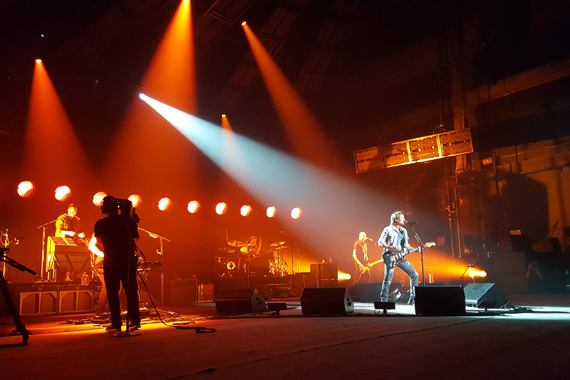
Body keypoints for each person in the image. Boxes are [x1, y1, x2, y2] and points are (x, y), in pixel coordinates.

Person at [89, 196, 141, 332]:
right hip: (127, 259)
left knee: (112, 292)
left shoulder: (100, 224)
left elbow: (98, 242)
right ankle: (135, 321)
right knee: (131, 291)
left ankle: (116, 323)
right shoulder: (127, 222)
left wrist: (110, 249)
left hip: (111, 260)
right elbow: (136, 238)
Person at [378, 211, 419, 304]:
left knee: (415, 275)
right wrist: (392, 247)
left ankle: (413, 299)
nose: (404, 219)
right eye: (402, 218)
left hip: (400, 257)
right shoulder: (387, 229)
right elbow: (380, 243)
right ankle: (383, 301)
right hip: (390, 256)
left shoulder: (404, 231)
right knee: (388, 279)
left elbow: (406, 245)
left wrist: (415, 249)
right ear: (396, 219)